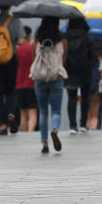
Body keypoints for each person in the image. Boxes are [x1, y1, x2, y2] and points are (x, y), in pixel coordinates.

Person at [30, 17, 67, 154]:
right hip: (56, 77)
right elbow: (63, 60)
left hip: (40, 79)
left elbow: (35, 59)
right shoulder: (62, 41)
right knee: (56, 111)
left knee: (43, 110)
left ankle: (44, 143)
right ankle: (55, 129)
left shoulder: (38, 41)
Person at [0, 5, 26, 135]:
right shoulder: (15, 21)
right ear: (10, 6)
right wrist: (12, 41)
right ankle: (11, 114)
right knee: (10, 91)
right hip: (10, 60)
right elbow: (22, 41)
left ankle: (2, 125)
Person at [63, 17, 94, 134]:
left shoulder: (65, 37)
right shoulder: (88, 37)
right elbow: (93, 56)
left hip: (69, 72)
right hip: (85, 72)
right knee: (85, 98)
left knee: (72, 98)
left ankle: (72, 125)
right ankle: (83, 124)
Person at [15, 26, 37, 132]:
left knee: (23, 113)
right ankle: (31, 132)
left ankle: (24, 133)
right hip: (31, 83)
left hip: (18, 84)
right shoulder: (32, 47)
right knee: (32, 112)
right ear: (28, 35)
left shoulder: (16, 49)